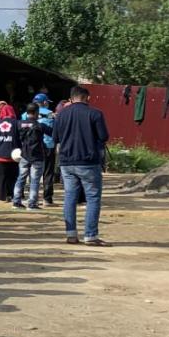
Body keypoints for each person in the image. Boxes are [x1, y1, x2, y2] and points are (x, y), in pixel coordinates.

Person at [55, 86, 110, 246]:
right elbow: (103, 136)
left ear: (71, 98)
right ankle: (90, 235)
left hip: (66, 162)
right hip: (88, 162)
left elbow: (55, 137)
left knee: (70, 197)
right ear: (88, 98)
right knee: (92, 198)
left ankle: (71, 234)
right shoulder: (95, 114)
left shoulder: (60, 115)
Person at [13, 102, 47, 210]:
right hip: (37, 156)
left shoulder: (19, 124)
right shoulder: (40, 125)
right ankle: (32, 203)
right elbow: (52, 132)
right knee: (35, 180)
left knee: (20, 178)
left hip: (24, 154)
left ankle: (16, 201)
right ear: (37, 112)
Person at [0, 103, 21, 202]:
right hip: (14, 155)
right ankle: (12, 195)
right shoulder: (17, 123)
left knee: (1, 177)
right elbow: (20, 137)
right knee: (13, 176)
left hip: (0, 154)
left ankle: (1, 197)